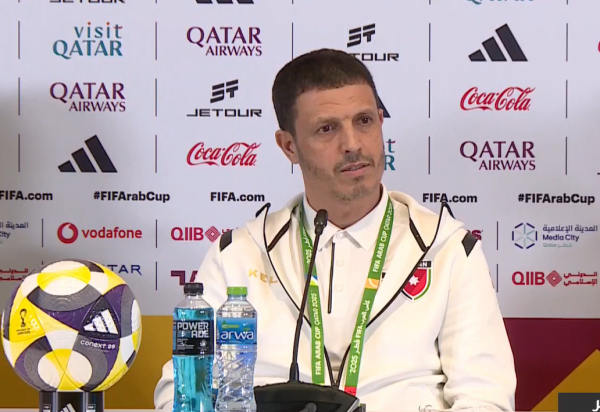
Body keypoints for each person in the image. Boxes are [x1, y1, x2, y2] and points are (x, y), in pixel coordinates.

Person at [154, 48, 517, 412]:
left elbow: (485, 399)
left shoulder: (447, 248)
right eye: (327, 129)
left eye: (364, 121)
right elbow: (179, 395)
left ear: (381, 122)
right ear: (289, 146)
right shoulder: (239, 254)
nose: (353, 144)